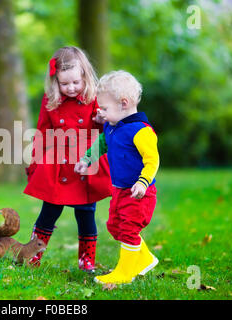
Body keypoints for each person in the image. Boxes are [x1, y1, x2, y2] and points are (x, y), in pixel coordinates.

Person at [24, 46, 112, 272]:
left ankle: (86, 261)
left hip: (85, 163)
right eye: (65, 84)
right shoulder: (51, 100)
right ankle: (33, 255)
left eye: (75, 82)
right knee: (49, 211)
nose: (71, 88)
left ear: (85, 76)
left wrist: (104, 120)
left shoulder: (94, 98)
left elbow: (107, 132)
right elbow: (42, 133)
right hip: (58, 163)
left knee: (86, 213)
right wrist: (35, 163)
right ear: (55, 82)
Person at [74, 70, 160, 284]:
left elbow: (152, 160)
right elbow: (102, 143)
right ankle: (145, 258)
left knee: (129, 229)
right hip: (119, 190)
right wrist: (87, 159)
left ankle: (124, 273)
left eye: (105, 108)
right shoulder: (112, 127)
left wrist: (143, 182)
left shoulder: (141, 131)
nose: (101, 112)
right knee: (115, 226)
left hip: (139, 192)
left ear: (124, 103)